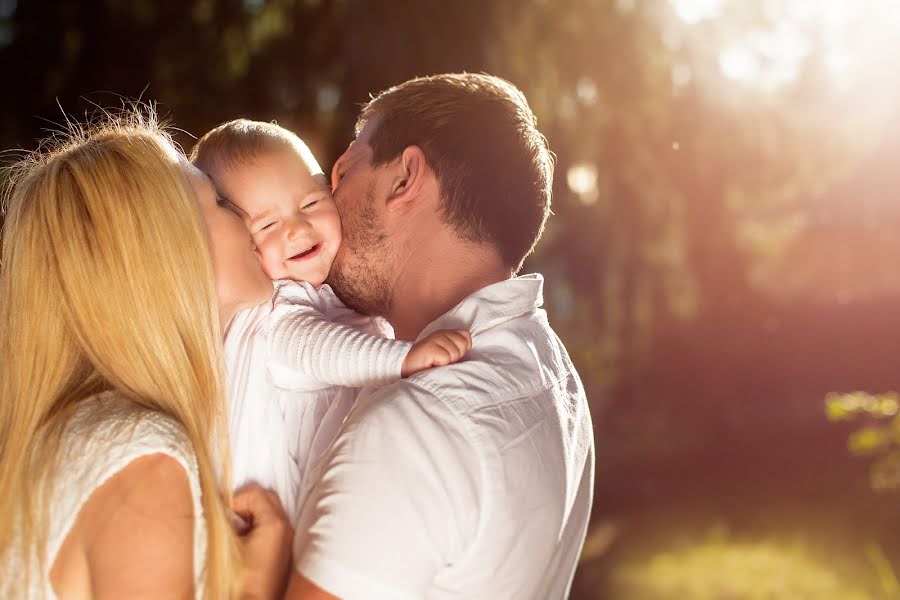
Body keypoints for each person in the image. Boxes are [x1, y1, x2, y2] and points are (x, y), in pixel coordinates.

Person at [285, 73, 595, 599]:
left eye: (342, 172)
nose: (322, 202)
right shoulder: (553, 374)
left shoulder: (411, 432)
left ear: (405, 179)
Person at [0, 110, 292, 599]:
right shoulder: (142, 459)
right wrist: (259, 589)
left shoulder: (79, 437)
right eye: (219, 200)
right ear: (167, 249)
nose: (247, 217)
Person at [189, 119, 471, 522]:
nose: (297, 229)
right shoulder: (278, 307)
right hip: (271, 509)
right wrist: (400, 359)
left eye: (310, 204)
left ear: (329, 191)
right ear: (245, 245)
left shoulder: (335, 289)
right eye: (267, 225)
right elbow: (315, 347)